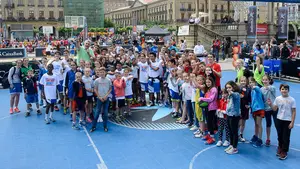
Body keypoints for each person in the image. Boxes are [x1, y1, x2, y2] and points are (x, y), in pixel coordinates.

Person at [268, 84, 296, 160]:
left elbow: (293, 111)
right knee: (279, 135)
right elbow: (274, 109)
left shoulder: (292, 100)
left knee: (286, 136)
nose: (284, 90)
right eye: (283, 89)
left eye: (286, 89)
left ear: (288, 90)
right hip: (279, 119)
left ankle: (284, 151)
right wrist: (270, 104)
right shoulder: (277, 99)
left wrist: (292, 122)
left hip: (287, 120)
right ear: (280, 90)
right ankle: (280, 147)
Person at [91, 67, 112, 132]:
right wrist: (99, 96)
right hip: (99, 98)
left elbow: (110, 89)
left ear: (105, 73)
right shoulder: (97, 80)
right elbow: (95, 89)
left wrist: (106, 96)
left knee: (105, 113)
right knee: (97, 113)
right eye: (100, 72)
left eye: (103, 72)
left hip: (106, 98)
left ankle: (105, 126)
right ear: (99, 73)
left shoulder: (108, 80)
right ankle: (93, 126)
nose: (102, 73)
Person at [200, 77, 218, 145]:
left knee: (210, 122)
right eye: (206, 82)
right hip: (208, 107)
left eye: (209, 82)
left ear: (212, 82)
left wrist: (202, 98)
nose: (207, 84)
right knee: (208, 122)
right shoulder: (209, 89)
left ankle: (212, 137)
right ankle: (209, 134)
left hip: (212, 108)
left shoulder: (214, 89)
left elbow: (211, 99)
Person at [224, 81, 241, 155]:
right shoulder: (229, 95)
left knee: (234, 132)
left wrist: (231, 93)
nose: (228, 89)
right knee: (230, 131)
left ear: (233, 87)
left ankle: (235, 148)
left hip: (234, 115)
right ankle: (231, 145)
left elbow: (235, 95)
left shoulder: (236, 94)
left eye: (229, 87)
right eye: (227, 88)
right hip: (229, 114)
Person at [261, 75, 276, 146]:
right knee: (268, 124)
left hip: (274, 108)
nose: (265, 81)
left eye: (266, 80)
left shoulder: (272, 87)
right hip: (266, 109)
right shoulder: (261, 89)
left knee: (277, 124)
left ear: (269, 80)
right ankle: (268, 138)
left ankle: (280, 139)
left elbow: (269, 88)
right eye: (263, 80)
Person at [249, 77, 265, 147]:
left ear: (255, 83)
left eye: (252, 82)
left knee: (259, 124)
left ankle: (260, 139)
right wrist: (250, 106)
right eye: (249, 83)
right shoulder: (252, 91)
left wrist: (254, 86)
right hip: (254, 109)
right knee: (256, 124)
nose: (251, 84)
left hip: (259, 109)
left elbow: (256, 88)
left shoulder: (257, 89)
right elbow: (252, 100)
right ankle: (256, 136)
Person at [238, 76, 251, 142]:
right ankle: (236, 134)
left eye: (244, 81)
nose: (243, 82)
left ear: (246, 82)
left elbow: (250, 98)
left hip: (245, 108)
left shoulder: (248, 89)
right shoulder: (237, 89)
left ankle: (241, 134)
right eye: (241, 81)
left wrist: (249, 105)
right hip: (238, 107)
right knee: (239, 123)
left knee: (243, 122)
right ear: (239, 81)